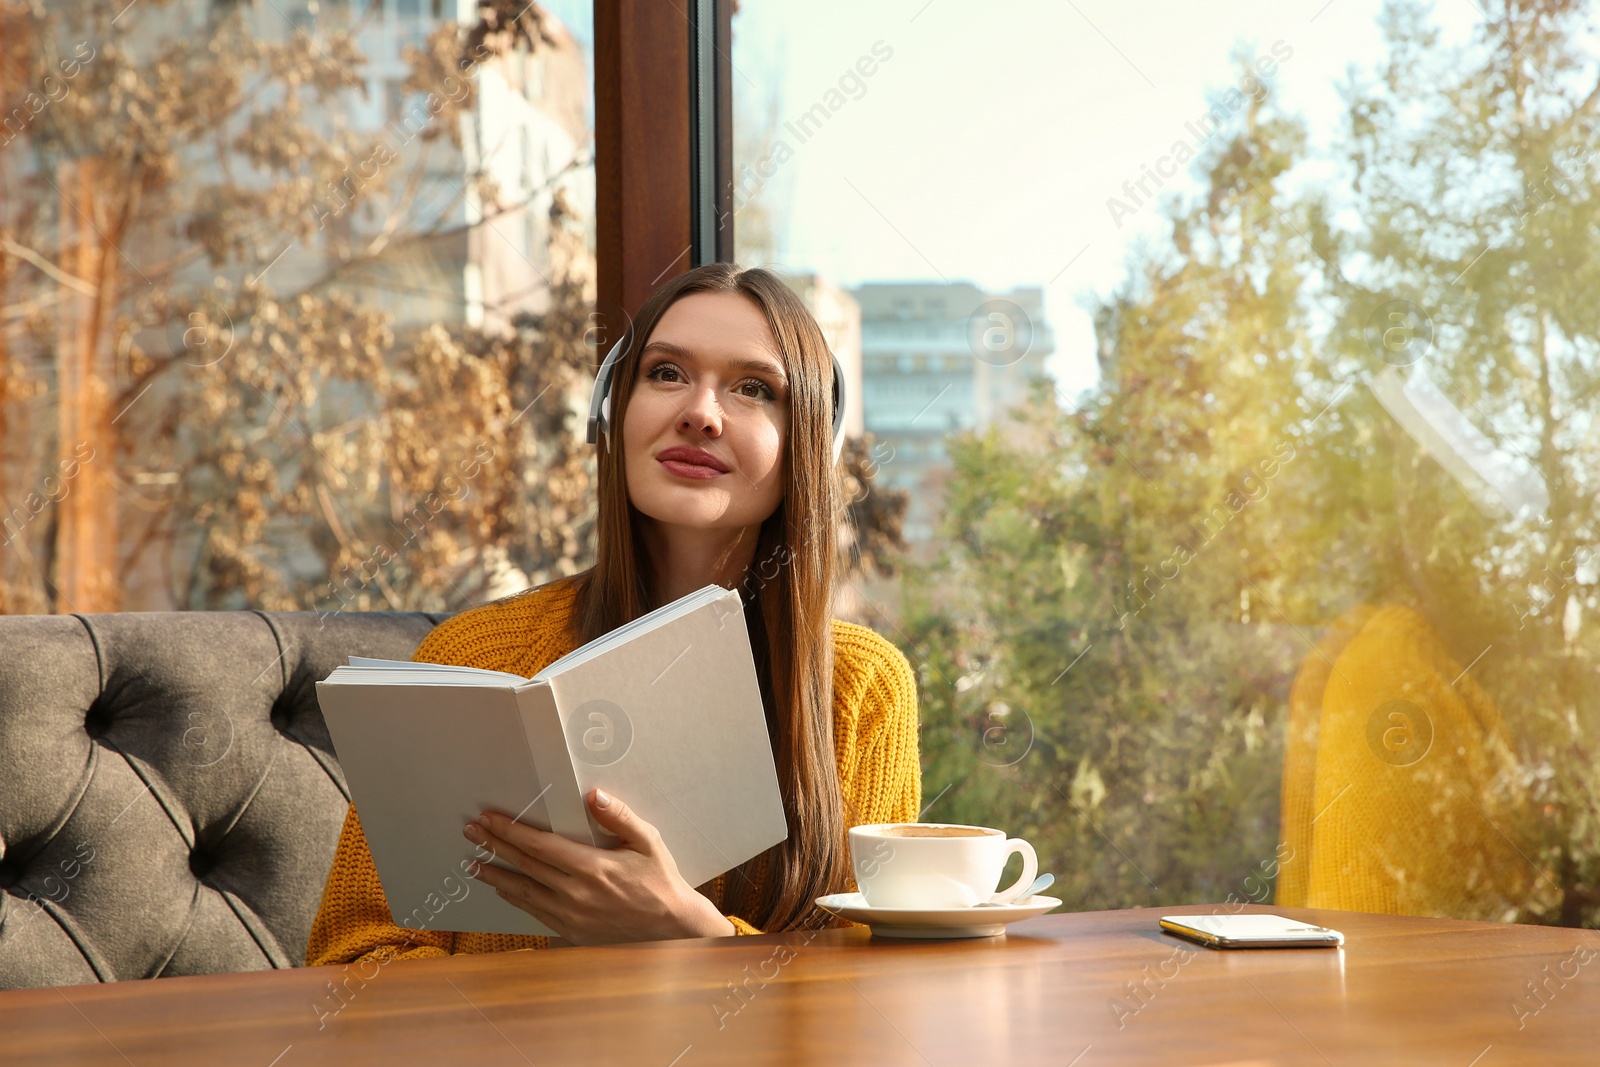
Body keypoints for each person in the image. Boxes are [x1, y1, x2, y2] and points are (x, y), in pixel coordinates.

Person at [306, 263, 921, 965]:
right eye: (666, 373)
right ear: (612, 412)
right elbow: (351, 962)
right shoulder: (472, 653)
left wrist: (692, 938)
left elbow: (870, 995)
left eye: (753, 388)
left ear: (808, 443)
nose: (701, 411)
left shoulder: (862, 690)